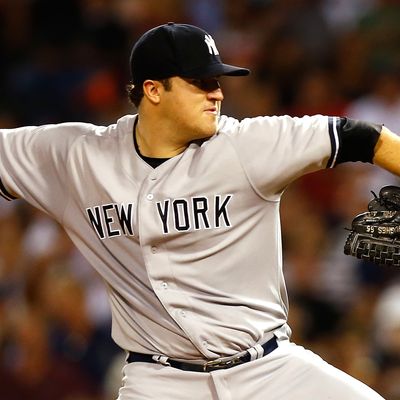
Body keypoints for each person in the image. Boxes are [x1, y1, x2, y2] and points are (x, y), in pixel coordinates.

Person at [1, 22, 400, 400]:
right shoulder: (79, 157)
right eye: (201, 82)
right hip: (159, 380)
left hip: (269, 370)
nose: (218, 94)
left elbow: (360, 136)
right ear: (154, 90)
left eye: (217, 81)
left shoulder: (247, 146)